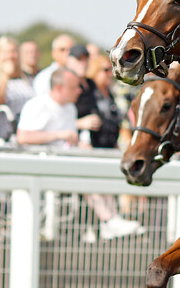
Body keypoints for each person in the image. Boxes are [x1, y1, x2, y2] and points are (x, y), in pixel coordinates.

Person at [17, 68, 143, 240]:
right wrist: (59, 135)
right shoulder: (37, 105)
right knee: (84, 176)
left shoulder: (70, 107)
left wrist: (80, 142)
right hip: (42, 167)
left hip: (64, 163)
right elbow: (23, 137)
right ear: (59, 88)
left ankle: (111, 219)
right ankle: (108, 219)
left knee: (98, 171)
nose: (79, 91)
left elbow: (68, 139)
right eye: (74, 87)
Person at [0, 36, 36, 142]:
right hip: (7, 134)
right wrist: (5, 76)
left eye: (13, 51)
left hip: (29, 131)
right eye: (5, 52)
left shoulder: (26, 77)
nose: (10, 56)